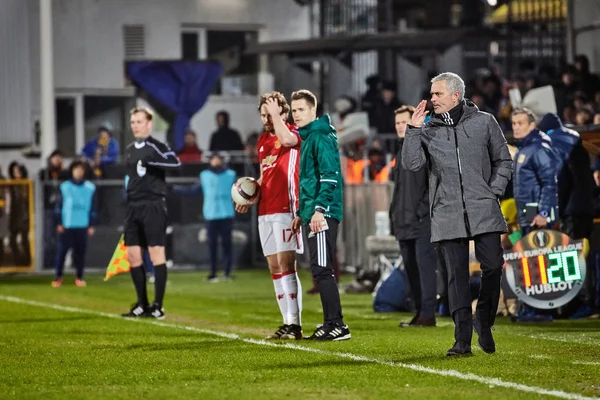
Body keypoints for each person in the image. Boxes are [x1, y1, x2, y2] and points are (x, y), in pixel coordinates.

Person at [402, 72, 513, 356]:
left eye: (437, 94)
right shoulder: (427, 129)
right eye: (432, 94)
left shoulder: (485, 122)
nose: (432, 99)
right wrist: (413, 130)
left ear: (455, 96)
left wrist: (493, 191)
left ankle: (483, 319)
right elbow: (412, 164)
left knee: (493, 266)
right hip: (447, 211)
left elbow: (503, 160)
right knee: (456, 277)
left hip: (483, 207)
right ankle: (461, 341)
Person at [236, 91, 304, 340]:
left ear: (283, 113)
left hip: (287, 207)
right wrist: (249, 195)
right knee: (274, 266)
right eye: (263, 114)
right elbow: (265, 175)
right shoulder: (263, 140)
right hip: (266, 209)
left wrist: (277, 117)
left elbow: (286, 141)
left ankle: (295, 325)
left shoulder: (293, 132)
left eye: (272, 113)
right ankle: (286, 323)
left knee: (287, 265)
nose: (266, 118)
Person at [290, 89, 351, 341]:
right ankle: (330, 323)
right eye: (293, 110)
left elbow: (330, 177)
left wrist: (318, 210)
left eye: (301, 109)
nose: (296, 115)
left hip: (322, 214)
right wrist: (302, 213)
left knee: (323, 269)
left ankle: (337, 325)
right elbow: (310, 181)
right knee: (319, 269)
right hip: (313, 213)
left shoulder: (321, 136)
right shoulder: (310, 137)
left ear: (313, 111)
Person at [122, 107, 181, 319]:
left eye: (139, 121)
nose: (135, 126)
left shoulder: (157, 146)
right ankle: (141, 304)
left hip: (153, 204)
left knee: (156, 254)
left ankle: (158, 305)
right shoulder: (129, 149)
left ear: (149, 124)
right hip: (133, 207)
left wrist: (152, 160)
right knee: (133, 255)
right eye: (133, 122)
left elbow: (175, 163)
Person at [389, 105, 438, 328]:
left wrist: (422, 211)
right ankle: (420, 313)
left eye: (404, 122)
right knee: (411, 270)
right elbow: (399, 190)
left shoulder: (423, 146)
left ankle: (428, 313)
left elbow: (432, 184)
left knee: (425, 269)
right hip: (404, 221)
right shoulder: (400, 151)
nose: (400, 126)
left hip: (421, 221)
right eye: (398, 123)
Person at [511, 108, 560, 323]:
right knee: (530, 259)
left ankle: (543, 308)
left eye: (521, 123)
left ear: (532, 125)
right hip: (528, 210)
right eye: (514, 123)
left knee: (540, 260)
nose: (516, 127)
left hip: (536, 212)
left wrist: (542, 212)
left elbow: (550, 184)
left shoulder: (539, 148)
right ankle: (532, 306)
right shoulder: (525, 148)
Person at [175, 153, 236, 282]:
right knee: (212, 245)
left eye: (218, 159)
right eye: (214, 159)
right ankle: (213, 273)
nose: (216, 161)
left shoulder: (231, 175)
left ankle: (227, 272)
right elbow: (193, 189)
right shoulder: (205, 175)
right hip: (211, 214)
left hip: (226, 213)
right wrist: (176, 189)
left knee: (227, 245)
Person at [52, 160, 97, 288]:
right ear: (72, 171)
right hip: (67, 225)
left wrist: (91, 224)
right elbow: (59, 206)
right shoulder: (64, 187)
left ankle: (79, 277)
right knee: (62, 252)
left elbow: (94, 207)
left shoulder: (90, 188)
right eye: (76, 169)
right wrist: (59, 222)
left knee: (80, 254)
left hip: (82, 225)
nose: (78, 172)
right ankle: (58, 278)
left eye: (81, 170)